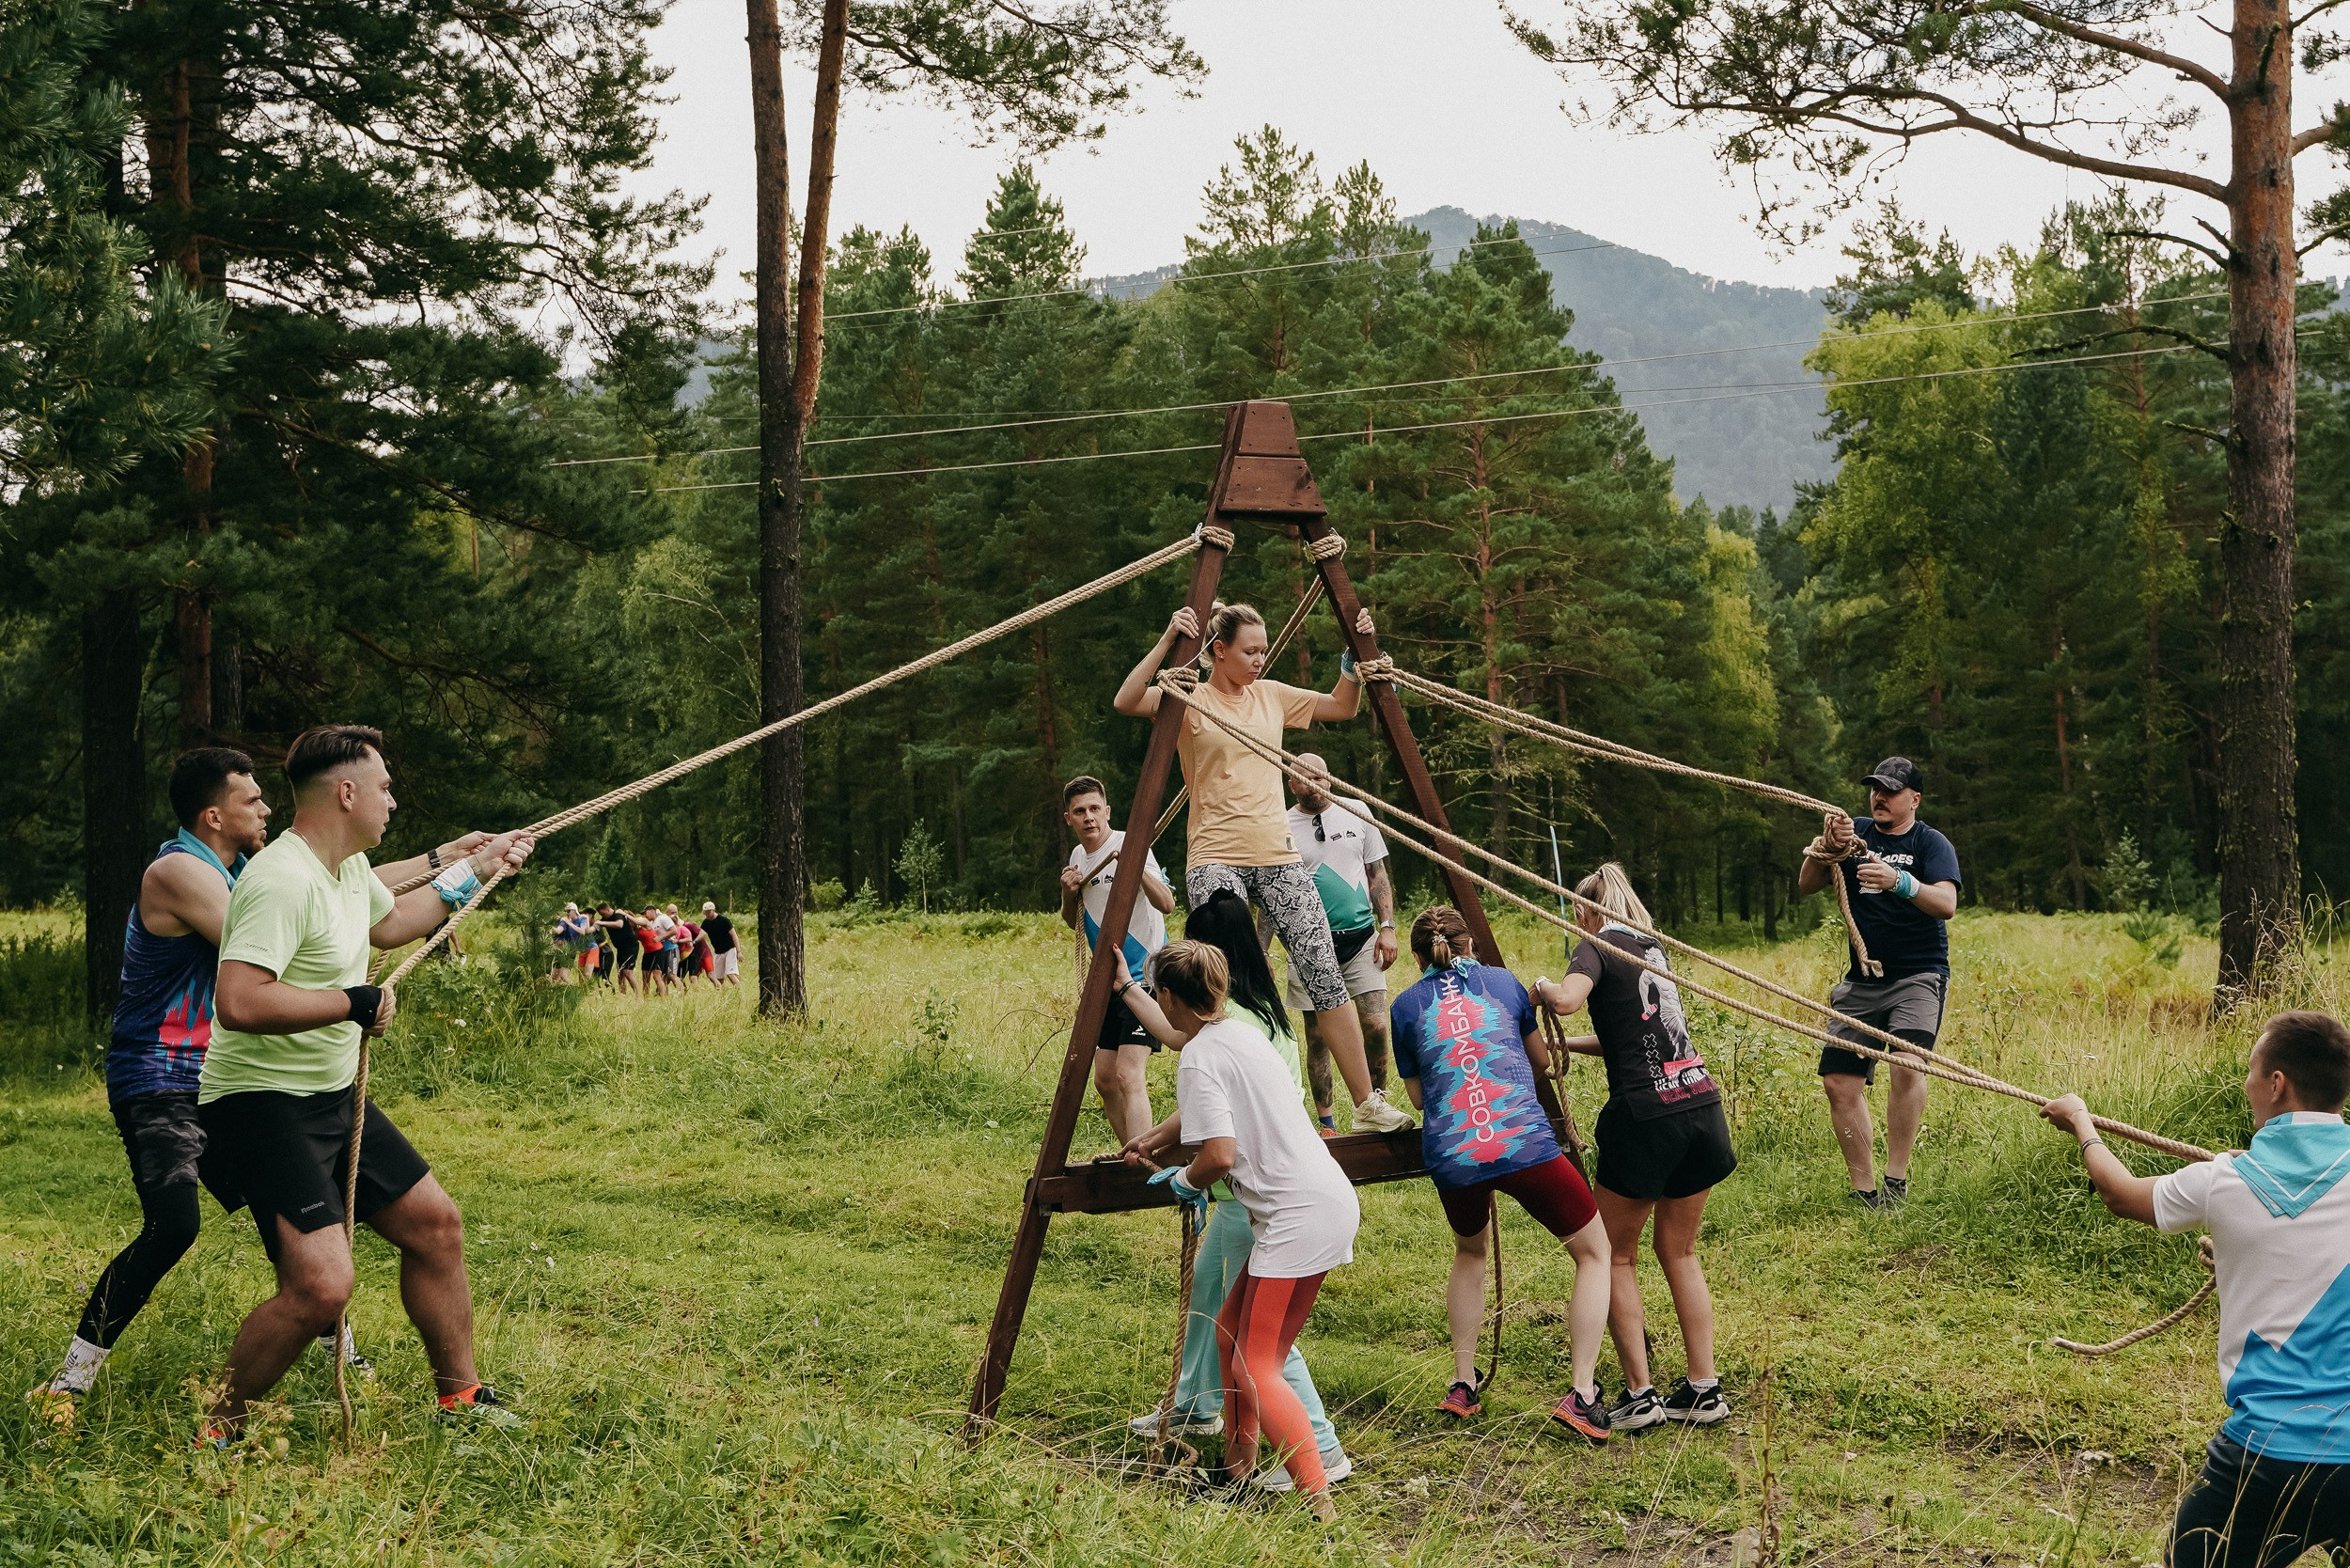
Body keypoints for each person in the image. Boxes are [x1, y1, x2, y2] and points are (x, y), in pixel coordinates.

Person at [196, 724, 533, 1440]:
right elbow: (240, 1001)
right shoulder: (279, 879)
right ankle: (218, 1428)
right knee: (322, 1285)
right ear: (346, 792)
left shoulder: (345, 868)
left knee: (436, 1226)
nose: (393, 801)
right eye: (383, 787)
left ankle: (461, 1399)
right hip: (259, 1106)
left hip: (330, 1095)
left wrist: (483, 868)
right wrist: (352, 1002)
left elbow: (397, 923)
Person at [29, 749, 342, 1421]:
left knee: (282, 1206)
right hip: (157, 1077)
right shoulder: (178, 871)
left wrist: (452, 868)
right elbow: (267, 944)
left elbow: (329, 896)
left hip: (217, 1077)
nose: (266, 809)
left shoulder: (237, 871)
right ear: (213, 814)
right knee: (173, 1226)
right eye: (252, 800)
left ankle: (341, 1347)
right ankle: (68, 1384)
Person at [2040, 1011, 2350, 1568]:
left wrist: (2082, 1123)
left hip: (2267, 1453)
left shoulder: (2224, 1181)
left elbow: (2120, 1194)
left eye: (2252, 1071)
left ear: (2276, 1084)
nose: (2247, 1083)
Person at [1114, 599, 1413, 1136]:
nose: (1260, 659)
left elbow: (1341, 707)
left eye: (1264, 648)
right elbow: (1127, 699)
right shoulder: (1190, 695)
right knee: (1223, 979)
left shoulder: (1271, 695)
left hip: (1277, 854)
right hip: (1215, 855)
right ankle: (1233, 1104)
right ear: (1219, 651)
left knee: (1324, 973)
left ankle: (1367, 1102)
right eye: (1250, 651)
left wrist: (1353, 659)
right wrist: (1165, 640)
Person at [1116, 890, 1353, 1490]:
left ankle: (1317, 1496)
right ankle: (1238, 1470)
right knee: (1230, 1333)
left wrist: (1184, 1181)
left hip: (1295, 1216)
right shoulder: (1241, 1035)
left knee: (1259, 1361)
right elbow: (1218, 1122)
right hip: (1322, 1197)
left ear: (1168, 998)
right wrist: (1157, 1143)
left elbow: (1219, 1154)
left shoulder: (1199, 1056)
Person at [1390, 905, 1614, 1442]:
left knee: (1470, 1251)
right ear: (1471, 946)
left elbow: (1421, 1097)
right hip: (1524, 1146)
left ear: (1419, 956)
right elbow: (1545, 1063)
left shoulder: (1405, 1005)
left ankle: (1463, 1384)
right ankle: (1582, 1393)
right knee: (1594, 1252)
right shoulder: (1504, 983)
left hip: (1456, 1155)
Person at [1532, 864, 1736, 1432]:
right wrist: (1566, 1044)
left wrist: (1543, 991)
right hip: (1698, 1107)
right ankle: (1703, 1388)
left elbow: (1569, 999)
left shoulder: (1594, 945)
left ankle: (1640, 1394)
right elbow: (1633, 1034)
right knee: (1681, 1252)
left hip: (1645, 1119)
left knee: (1614, 1254)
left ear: (1588, 910)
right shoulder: (1652, 952)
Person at [1794, 756, 1961, 1208]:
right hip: (1862, 980)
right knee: (1838, 1082)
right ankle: (1865, 1193)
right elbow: (1807, 883)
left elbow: (1946, 903)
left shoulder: (1931, 843)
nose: (1880, 796)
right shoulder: (1856, 833)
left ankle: (1896, 1182)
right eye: (1875, 788)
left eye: (1890, 790)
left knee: (1907, 1065)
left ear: (1915, 799)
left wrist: (1899, 882)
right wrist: (1826, 847)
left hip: (1918, 976)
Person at [1058, 775, 1177, 1146]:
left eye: (1095, 809)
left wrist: (1135, 865)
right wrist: (1067, 893)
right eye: (1080, 811)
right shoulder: (1079, 856)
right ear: (1069, 819)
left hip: (1145, 977)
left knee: (1128, 1074)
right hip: (1107, 980)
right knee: (1105, 1080)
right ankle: (1135, 1158)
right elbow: (1072, 918)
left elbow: (1167, 904)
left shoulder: (1130, 844)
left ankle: (1145, 1167)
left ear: (1107, 811)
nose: (1089, 817)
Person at [1285, 753, 1398, 1135]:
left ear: (1330, 778)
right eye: (1306, 777)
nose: (1316, 782)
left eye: (1321, 775)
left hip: (1363, 937)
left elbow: (1377, 872)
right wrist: (1263, 948)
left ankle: (1375, 1104)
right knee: (1318, 1037)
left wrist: (1388, 926)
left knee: (1376, 1023)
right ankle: (1328, 1123)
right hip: (1310, 945)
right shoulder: (1281, 825)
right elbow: (1274, 894)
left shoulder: (1357, 810)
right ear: (1292, 784)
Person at [597, 902, 637, 993]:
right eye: (600, 915)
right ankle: (623, 995)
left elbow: (619, 924)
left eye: (603, 913)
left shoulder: (618, 913)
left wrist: (602, 923)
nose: (602, 916)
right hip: (620, 948)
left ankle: (638, 996)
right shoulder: (604, 919)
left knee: (627, 971)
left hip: (630, 946)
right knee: (620, 973)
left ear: (608, 909)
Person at [551, 902, 595, 982]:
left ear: (574, 910)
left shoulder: (582, 918)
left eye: (569, 911)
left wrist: (568, 923)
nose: (567, 913)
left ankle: (575, 989)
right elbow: (559, 930)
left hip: (572, 950)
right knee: (555, 976)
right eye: (566, 911)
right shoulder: (567, 920)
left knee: (564, 976)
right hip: (564, 949)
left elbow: (583, 931)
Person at [701, 902, 740, 986]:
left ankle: (741, 994)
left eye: (709, 912)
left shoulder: (724, 921)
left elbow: (734, 936)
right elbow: (701, 935)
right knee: (718, 978)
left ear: (713, 910)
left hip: (729, 949)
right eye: (705, 913)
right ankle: (721, 996)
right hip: (718, 952)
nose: (707, 914)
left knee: (730, 974)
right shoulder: (706, 923)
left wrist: (739, 952)